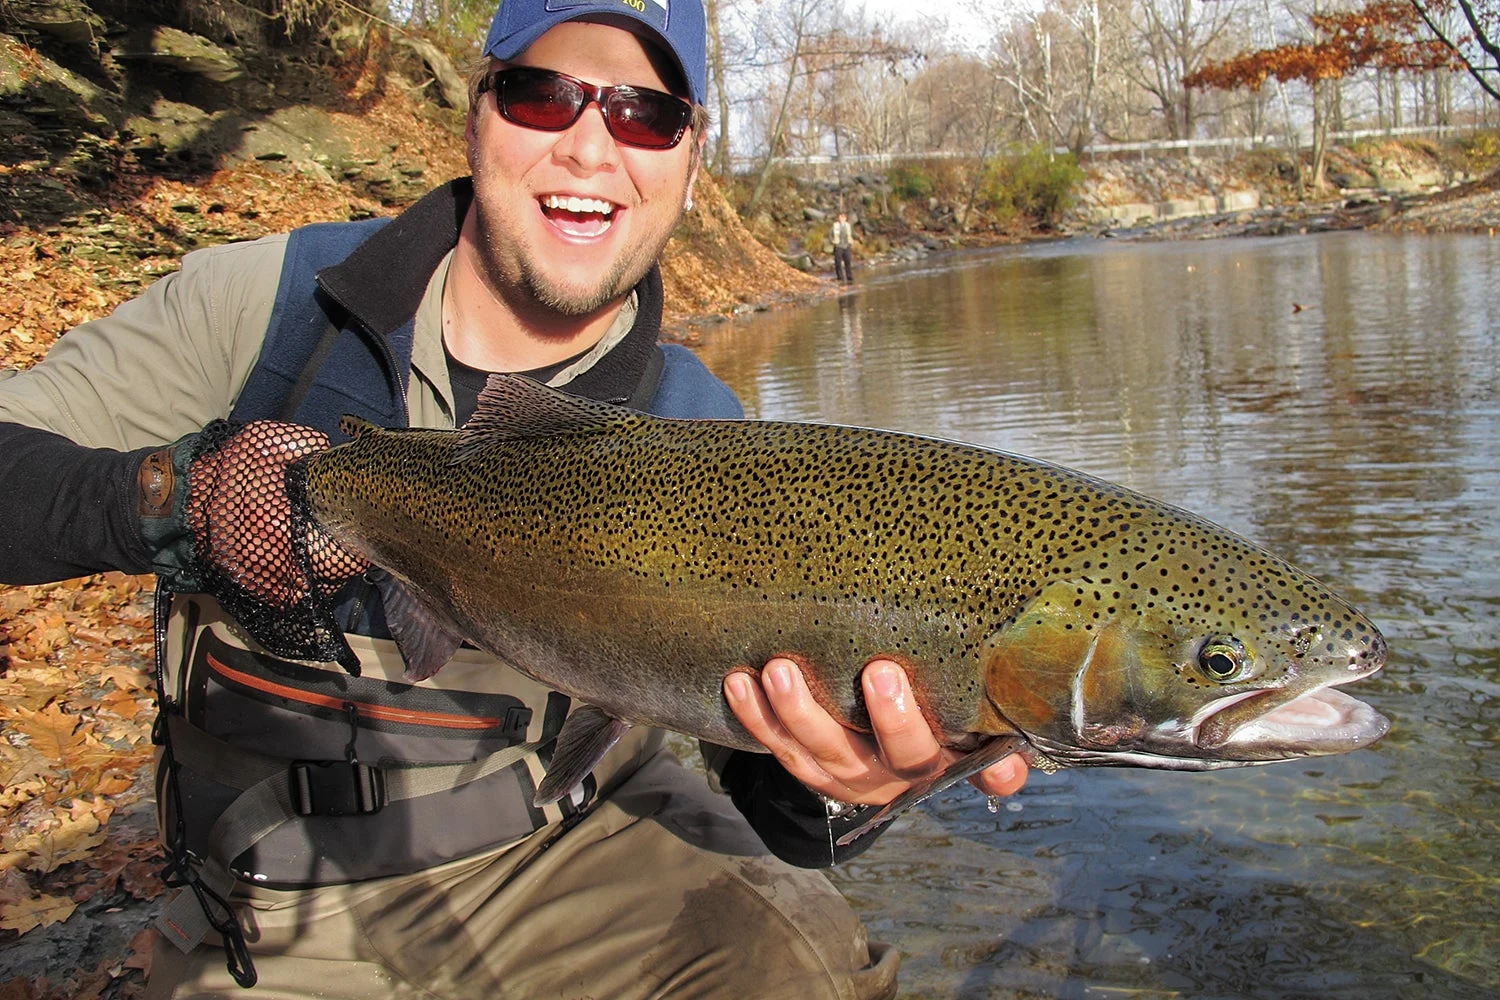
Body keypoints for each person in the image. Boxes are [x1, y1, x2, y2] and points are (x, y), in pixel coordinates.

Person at [0, 2, 1027, 997]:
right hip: (280, 900)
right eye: (545, 95)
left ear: (690, 160)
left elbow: (778, 811)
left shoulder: (708, 436)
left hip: (582, 853)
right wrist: (173, 497)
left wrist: (853, 778)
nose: (591, 147)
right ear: (478, 111)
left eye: (646, 113)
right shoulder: (273, 310)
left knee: (810, 966)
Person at [831, 211, 855, 282]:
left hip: (847, 246)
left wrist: (857, 239)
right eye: (840, 217)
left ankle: (849, 277)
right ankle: (840, 277)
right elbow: (830, 234)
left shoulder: (848, 225)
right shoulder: (835, 225)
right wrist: (832, 241)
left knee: (848, 262)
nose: (841, 218)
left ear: (845, 218)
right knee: (838, 262)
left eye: (842, 217)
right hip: (838, 246)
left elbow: (852, 233)